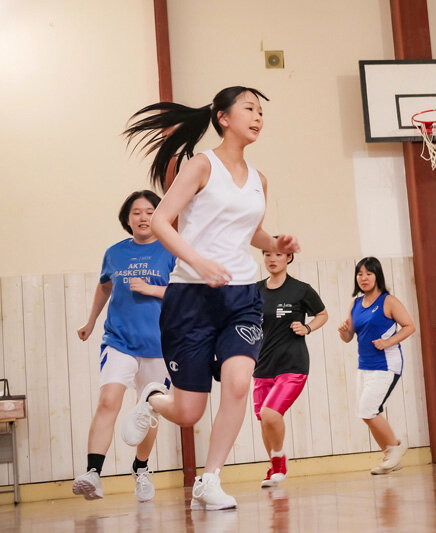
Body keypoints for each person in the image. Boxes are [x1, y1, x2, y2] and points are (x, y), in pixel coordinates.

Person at [118, 86, 300, 511]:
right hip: (191, 298)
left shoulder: (260, 179)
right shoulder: (201, 165)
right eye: (249, 108)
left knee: (238, 383)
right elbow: (162, 220)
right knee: (188, 413)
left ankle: (210, 479)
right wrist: (198, 262)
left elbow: (249, 230)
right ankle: (151, 398)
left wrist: (275, 239)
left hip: (240, 297)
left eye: (261, 110)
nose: (258, 116)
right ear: (223, 117)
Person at [72, 190, 175, 502]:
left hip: (160, 345)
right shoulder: (115, 252)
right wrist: (91, 321)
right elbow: (105, 286)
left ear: (159, 216)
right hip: (119, 341)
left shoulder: (171, 250)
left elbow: (186, 296)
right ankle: (93, 473)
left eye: (149, 212)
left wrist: (152, 289)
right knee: (109, 399)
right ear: (127, 219)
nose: (143, 217)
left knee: (150, 411)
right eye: (136, 213)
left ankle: (141, 469)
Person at [254, 249, 327, 487]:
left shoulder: (301, 289)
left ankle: (280, 463)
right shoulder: (255, 290)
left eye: (278, 255)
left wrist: (308, 327)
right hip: (262, 365)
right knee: (265, 419)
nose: (272, 259)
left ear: (288, 258)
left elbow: (322, 314)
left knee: (270, 414)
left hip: (293, 364)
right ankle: (275, 466)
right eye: (267, 254)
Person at [337, 257, 416, 474]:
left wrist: (388, 342)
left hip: (387, 365)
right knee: (366, 412)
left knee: (368, 410)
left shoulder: (388, 301)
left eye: (368, 274)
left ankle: (396, 449)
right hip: (364, 367)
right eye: (360, 274)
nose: (363, 278)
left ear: (377, 276)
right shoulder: (354, 304)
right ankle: (391, 454)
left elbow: (410, 326)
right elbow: (349, 336)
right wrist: (344, 331)